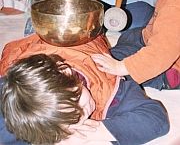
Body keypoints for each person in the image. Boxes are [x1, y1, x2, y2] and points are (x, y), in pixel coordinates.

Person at [0, 53, 169, 145]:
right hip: (29, 54)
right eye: (71, 119)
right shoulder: (16, 95)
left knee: (128, 47)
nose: (83, 114)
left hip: (93, 56)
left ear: (67, 73)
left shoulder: (111, 87)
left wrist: (92, 132)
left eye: (77, 101)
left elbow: (156, 118)